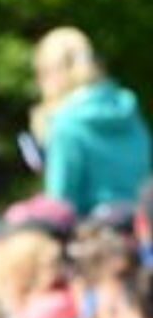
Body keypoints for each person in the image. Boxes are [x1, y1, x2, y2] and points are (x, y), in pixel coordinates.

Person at [31, 26, 152, 215]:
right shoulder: (129, 112)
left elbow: (60, 205)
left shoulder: (66, 125)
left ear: (53, 72)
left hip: (91, 234)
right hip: (139, 228)